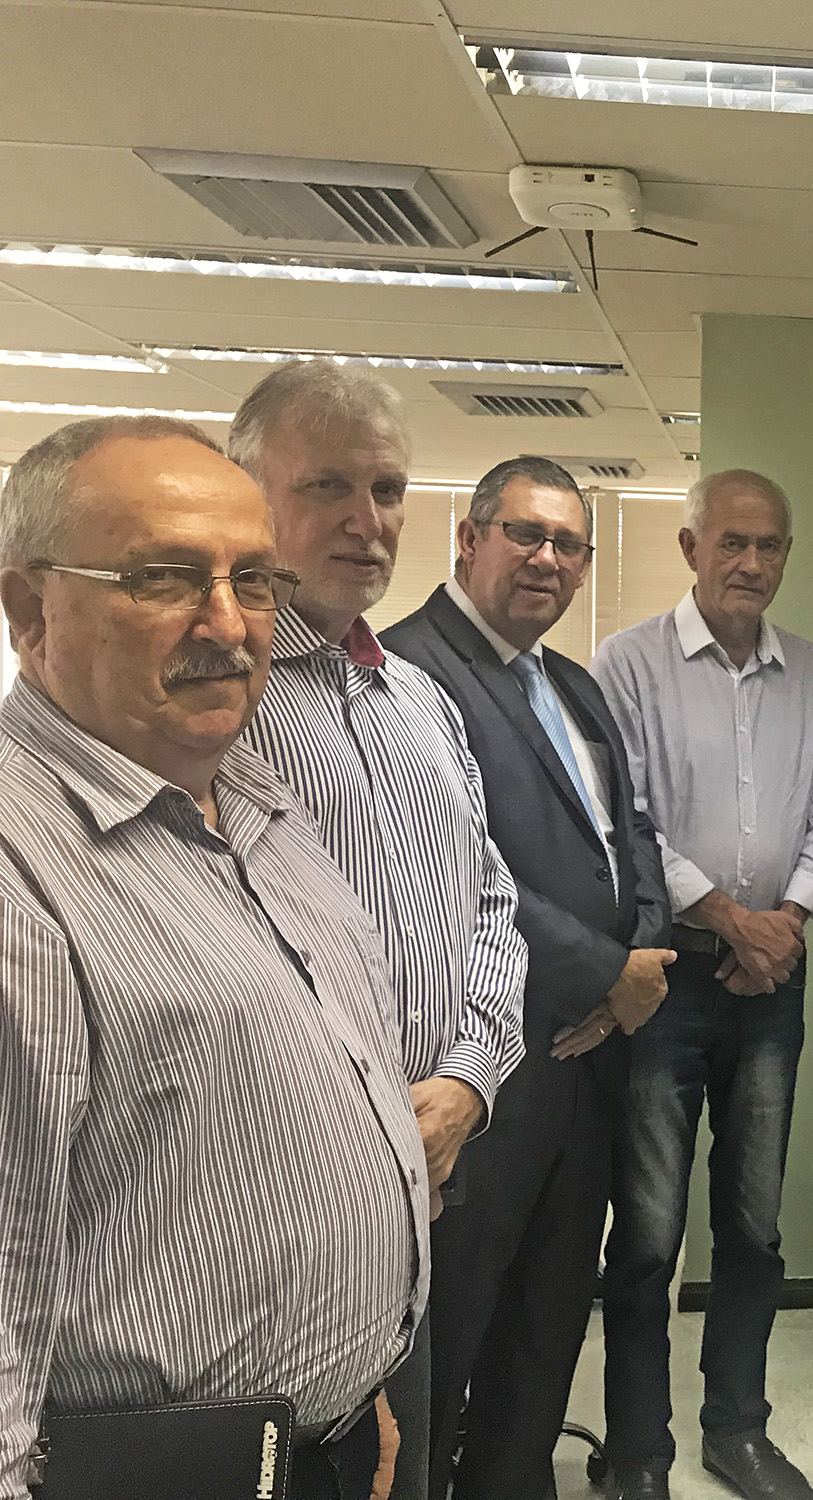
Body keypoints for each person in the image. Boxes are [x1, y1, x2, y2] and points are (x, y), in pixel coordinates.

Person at [0, 417, 427, 1500]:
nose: (229, 625)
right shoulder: (19, 875)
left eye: (255, 581)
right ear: (29, 608)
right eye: (164, 578)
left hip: (314, 1442)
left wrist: (348, 1376)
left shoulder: (252, 801)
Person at [229, 361, 528, 1499]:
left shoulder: (420, 701)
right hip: (289, 1204)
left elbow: (490, 906)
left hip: (440, 1164)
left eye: (389, 490)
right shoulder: (222, 706)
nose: (368, 521)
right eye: (329, 487)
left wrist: (466, 1081)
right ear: (249, 494)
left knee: (411, 1454)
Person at [380, 457, 675, 1498]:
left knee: (546, 1325)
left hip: (589, 1067)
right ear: (468, 540)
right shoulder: (406, 674)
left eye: (569, 544)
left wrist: (640, 960)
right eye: (525, 534)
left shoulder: (573, 685)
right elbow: (458, 867)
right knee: (450, 1329)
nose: (548, 559)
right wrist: (603, 974)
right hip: (482, 1064)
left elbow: (629, 837)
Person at [592, 468, 813, 1500]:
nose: (751, 563)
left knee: (753, 1226)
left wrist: (786, 922)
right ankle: (638, 1451)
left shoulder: (810, 671)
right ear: (690, 548)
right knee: (649, 1233)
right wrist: (731, 920)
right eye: (732, 542)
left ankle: (738, 1431)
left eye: (769, 545)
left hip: (772, 980)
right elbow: (627, 817)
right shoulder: (629, 663)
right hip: (666, 981)